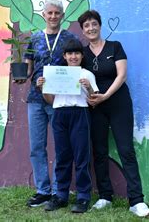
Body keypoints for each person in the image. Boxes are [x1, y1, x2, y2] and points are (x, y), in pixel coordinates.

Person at [77, 10, 149, 217]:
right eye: (86, 26)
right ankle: (104, 197)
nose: (91, 28)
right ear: (83, 30)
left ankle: (136, 200)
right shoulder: (82, 54)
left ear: (100, 26)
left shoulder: (115, 47)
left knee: (126, 150)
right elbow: (79, 80)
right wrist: (91, 98)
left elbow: (122, 75)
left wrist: (105, 95)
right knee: (99, 152)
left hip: (118, 103)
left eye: (94, 24)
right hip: (95, 107)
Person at [21, 0, 77, 207]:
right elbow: (27, 69)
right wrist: (20, 75)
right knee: (37, 146)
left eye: (57, 13)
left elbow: (75, 65)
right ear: (43, 15)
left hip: (60, 100)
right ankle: (42, 190)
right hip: (35, 100)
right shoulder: (35, 39)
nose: (53, 16)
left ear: (62, 16)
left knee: (61, 147)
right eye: (49, 13)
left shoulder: (70, 38)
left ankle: (58, 191)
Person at [36, 39, 98, 213]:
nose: (73, 56)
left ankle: (83, 197)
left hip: (80, 114)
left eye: (76, 53)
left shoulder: (86, 74)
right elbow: (50, 100)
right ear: (64, 56)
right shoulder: (56, 74)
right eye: (69, 53)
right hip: (60, 114)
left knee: (81, 157)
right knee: (62, 156)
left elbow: (94, 101)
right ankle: (61, 195)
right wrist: (43, 88)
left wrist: (89, 89)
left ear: (81, 55)